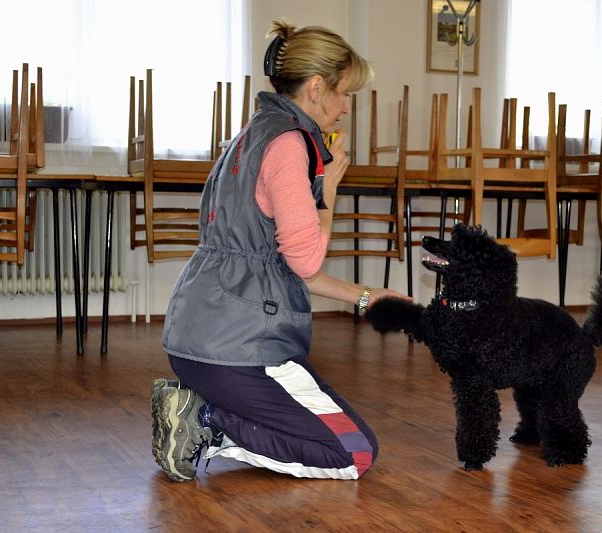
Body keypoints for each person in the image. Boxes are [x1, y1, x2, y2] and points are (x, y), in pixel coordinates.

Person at [150, 20, 410, 482]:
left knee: (340, 435)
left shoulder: (251, 135)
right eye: (344, 93)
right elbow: (306, 261)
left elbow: (288, 270)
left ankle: (203, 411)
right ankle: (207, 423)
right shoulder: (290, 145)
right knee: (354, 453)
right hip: (241, 350)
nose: (346, 108)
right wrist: (325, 194)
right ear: (315, 87)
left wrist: (372, 298)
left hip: (198, 340)